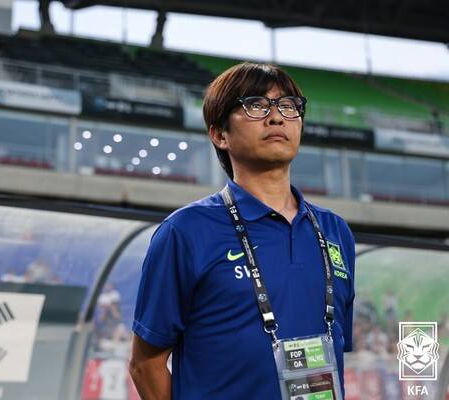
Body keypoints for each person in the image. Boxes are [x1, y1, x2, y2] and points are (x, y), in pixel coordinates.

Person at [129, 63, 356, 399]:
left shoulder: (335, 231)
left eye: (288, 106)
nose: (276, 117)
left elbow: (335, 346)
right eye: (256, 105)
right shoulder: (186, 231)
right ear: (220, 135)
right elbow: (145, 363)